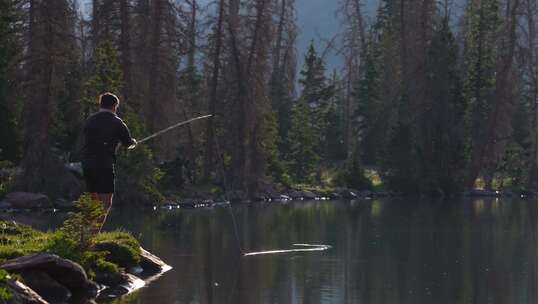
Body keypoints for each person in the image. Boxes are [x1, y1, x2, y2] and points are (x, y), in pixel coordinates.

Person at [81, 92, 137, 231]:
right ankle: (92, 235)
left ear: (100, 105)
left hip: (87, 165)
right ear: (114, 106)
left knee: (93, 201)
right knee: (106, 202)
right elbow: (128, 143)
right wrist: (133, 143)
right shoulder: (117, 122)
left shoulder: (90, 120)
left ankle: (85, 232)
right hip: (104, 165)